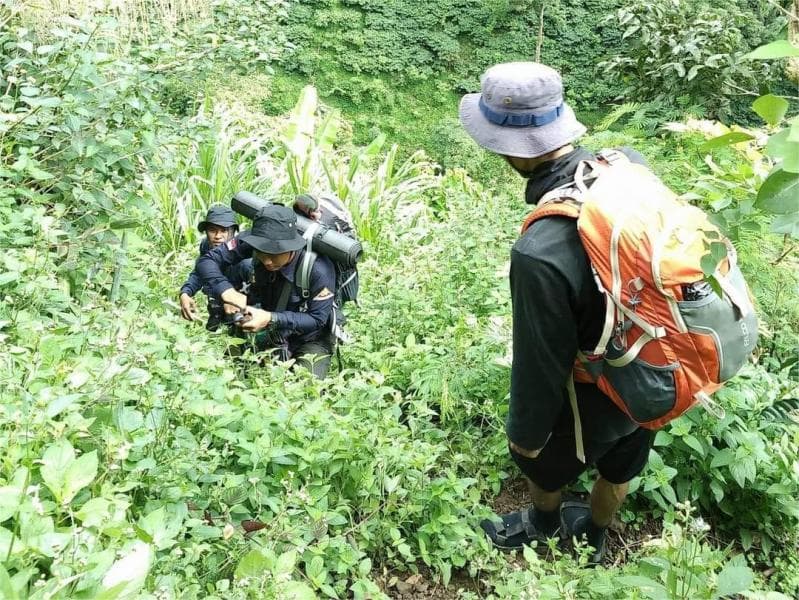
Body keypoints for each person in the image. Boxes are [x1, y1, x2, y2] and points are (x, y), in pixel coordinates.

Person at [459, 62, 654, 564]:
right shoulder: (627, 165)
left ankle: (543, 521)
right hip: (658, 362)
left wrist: (525, 438)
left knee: (543, 464)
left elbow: (540, 364)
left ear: (506, 148)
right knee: (621, 465)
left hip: (594, 385)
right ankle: (596, 533)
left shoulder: (539, 250)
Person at [196, 203, 337, 379]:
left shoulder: (319, 269)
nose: (268, 261)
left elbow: (317, 319)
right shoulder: (252, 241)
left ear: (291, 246)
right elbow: (208, 260)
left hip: (309, 338)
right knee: (231, 375)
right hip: (268, 329)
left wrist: (271, 318)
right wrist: (226, 291)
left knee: (307, 387)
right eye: (262, 253)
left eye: (275, 253)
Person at [179, 205, 252, 331]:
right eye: (213, 230)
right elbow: (199, 273)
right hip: (217, 308)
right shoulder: (207, 246)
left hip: (244, 311)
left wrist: (237, 299)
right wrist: (185, 293)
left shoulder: (245, 254)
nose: (218, 236)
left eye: (223, 230)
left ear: (233, 232)